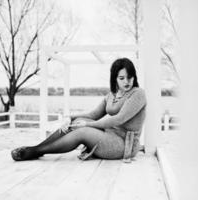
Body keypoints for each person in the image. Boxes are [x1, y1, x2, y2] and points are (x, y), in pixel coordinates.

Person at [11, 58, 147, 161]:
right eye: (122, 78)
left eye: (130, 77)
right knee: (79, 121)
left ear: (134, 77)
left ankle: (35, 151)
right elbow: (93, 114)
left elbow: (118, 119)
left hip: (124, 144)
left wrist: (87, 124)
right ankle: (37, 149)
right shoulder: (111, 95)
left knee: (83, 129)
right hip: (108, 135)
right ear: (115, 79)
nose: (126, 81)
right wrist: (70, 118)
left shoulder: (138, 94)